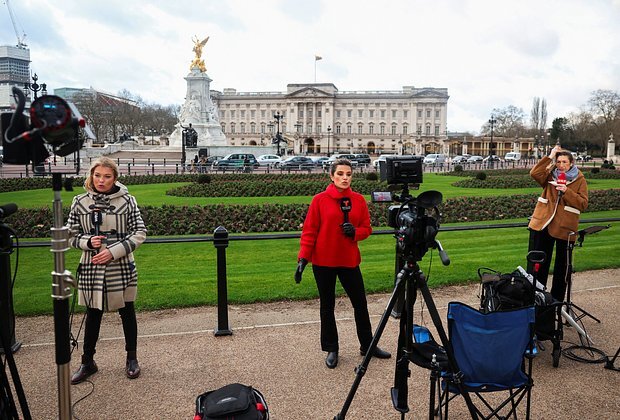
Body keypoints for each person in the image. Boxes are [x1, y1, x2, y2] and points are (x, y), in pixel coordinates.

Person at [295, 158, 391, 369]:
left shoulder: (358, 200)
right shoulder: (319, 200)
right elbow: (309, 231)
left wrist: (355, 233)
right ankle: (332, 348)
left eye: (348, 174)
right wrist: (303, 259)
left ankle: (367, 345)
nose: (345, 178)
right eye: (340, 174)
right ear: (331, 176)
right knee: (327, 307)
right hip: (323, 260)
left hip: (348, 260)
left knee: (360, 304)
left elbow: (367, 228)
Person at [68, 157, 147, 384]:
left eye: (107, 176)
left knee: (127, 312)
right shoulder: (80, 202)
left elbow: (140, 232)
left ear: (115, 178)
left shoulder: (127, 201)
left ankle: (132, 358)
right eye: (97, 175)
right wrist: (87, 242)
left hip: (120, 264)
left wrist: (114, 251)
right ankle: (87, 362)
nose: (101, 180)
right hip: (92, 265)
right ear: (91, 175)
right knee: (93, 314)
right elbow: (71, 235)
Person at [528, 145, 588, 302]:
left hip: (565, 227)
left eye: (564, 162)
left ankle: (557, 302)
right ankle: (538, 298)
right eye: (558, 161)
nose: (561, 165)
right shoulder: (549, 175)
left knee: (562, 268)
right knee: (540, 264)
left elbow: (583, 204)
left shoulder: (579, 179)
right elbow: (534, 173)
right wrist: (550, 155)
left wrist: (566, 191)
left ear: (571, 163)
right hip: (544, 223)